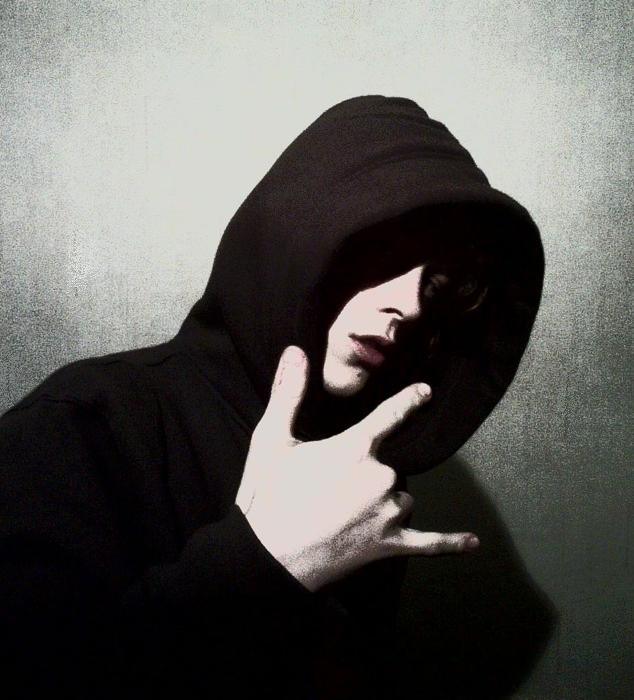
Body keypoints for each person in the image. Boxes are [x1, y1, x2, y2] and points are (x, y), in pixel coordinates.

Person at [0, 95, 544, 698]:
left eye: (435, 283)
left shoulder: (361, 476)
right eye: (386, 254)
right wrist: (266, 563)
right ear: (300, 236)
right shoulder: (82, 423)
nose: (409, 304)